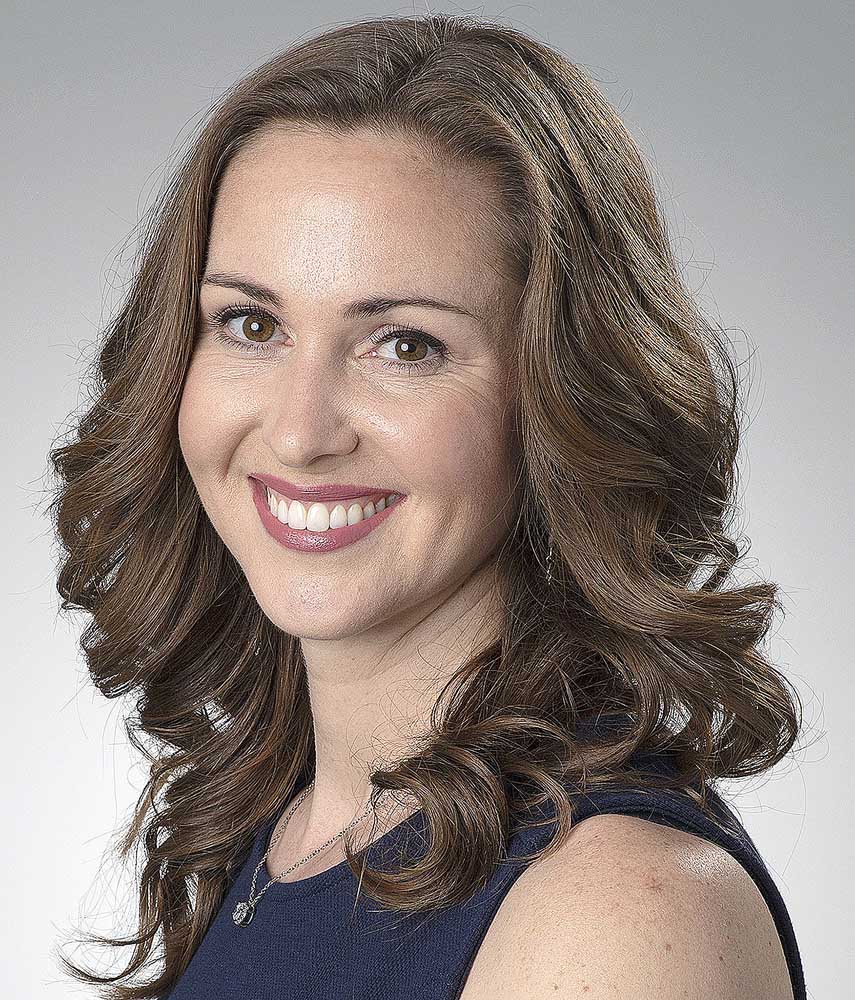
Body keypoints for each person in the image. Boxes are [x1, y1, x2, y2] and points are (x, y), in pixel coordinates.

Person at [50, 12, 806, 1000]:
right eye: (251, 324)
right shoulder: (282, 831)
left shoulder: (617, 908)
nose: (300, 431)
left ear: (562, 393)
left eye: (406, 345)